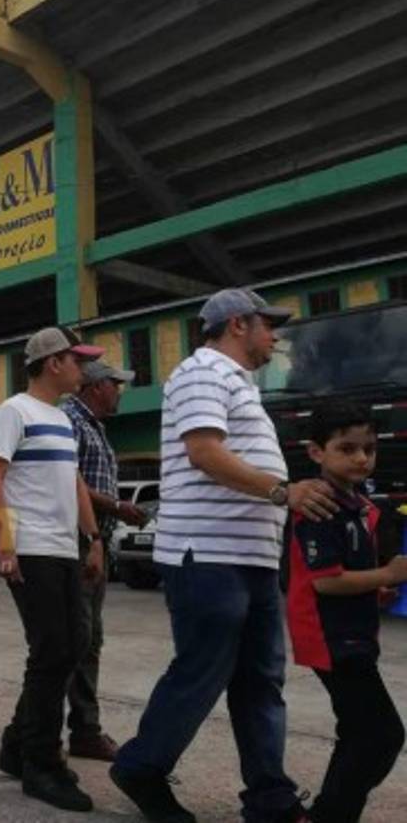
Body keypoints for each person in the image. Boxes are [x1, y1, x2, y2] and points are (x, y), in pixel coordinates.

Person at [111, 289, 338, 823]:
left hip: (248, 558)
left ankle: (270, 799)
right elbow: (204, 452)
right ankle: (141, 766)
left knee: (261, 680)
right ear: (238, 324)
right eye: (268, 325)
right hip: (208, 555)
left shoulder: (239, 383)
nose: (274, 336)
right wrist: (283, 492)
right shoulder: (202, 372)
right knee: (201, 672)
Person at [0, 326, 106, 813]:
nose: (84, 370)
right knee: (52, 649)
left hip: (64, 547)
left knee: (71, 645)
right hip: (30, 546)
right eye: (78, 361)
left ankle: (19, 744)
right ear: (53, 363)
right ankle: (41, 763)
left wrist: (93, 539)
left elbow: (73, 482)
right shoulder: (14, 411)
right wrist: (3, 543)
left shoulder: (60, 418)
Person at [287, 402, 407, 823]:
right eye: (347, 448)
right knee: (381, 735)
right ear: (316, 452)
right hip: (330, 637)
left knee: (359, 733)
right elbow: (325, 582)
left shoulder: (358, 504)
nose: (361, 458)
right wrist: (387, 574)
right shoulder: (321, 505)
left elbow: (347, 575)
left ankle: (328, 814)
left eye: (368, 449)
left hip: (353, 634)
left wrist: (377, 589)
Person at [58, 360, 149, 763]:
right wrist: (113, 508)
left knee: (88, 639)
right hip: (77, 541)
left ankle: (83, 729)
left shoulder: (95, 426)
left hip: (95, 541)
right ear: (96, 387)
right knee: (76, 639)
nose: (120, 393)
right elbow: (67, 480)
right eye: (116, 384)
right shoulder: (70, 420)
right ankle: (56, 731)